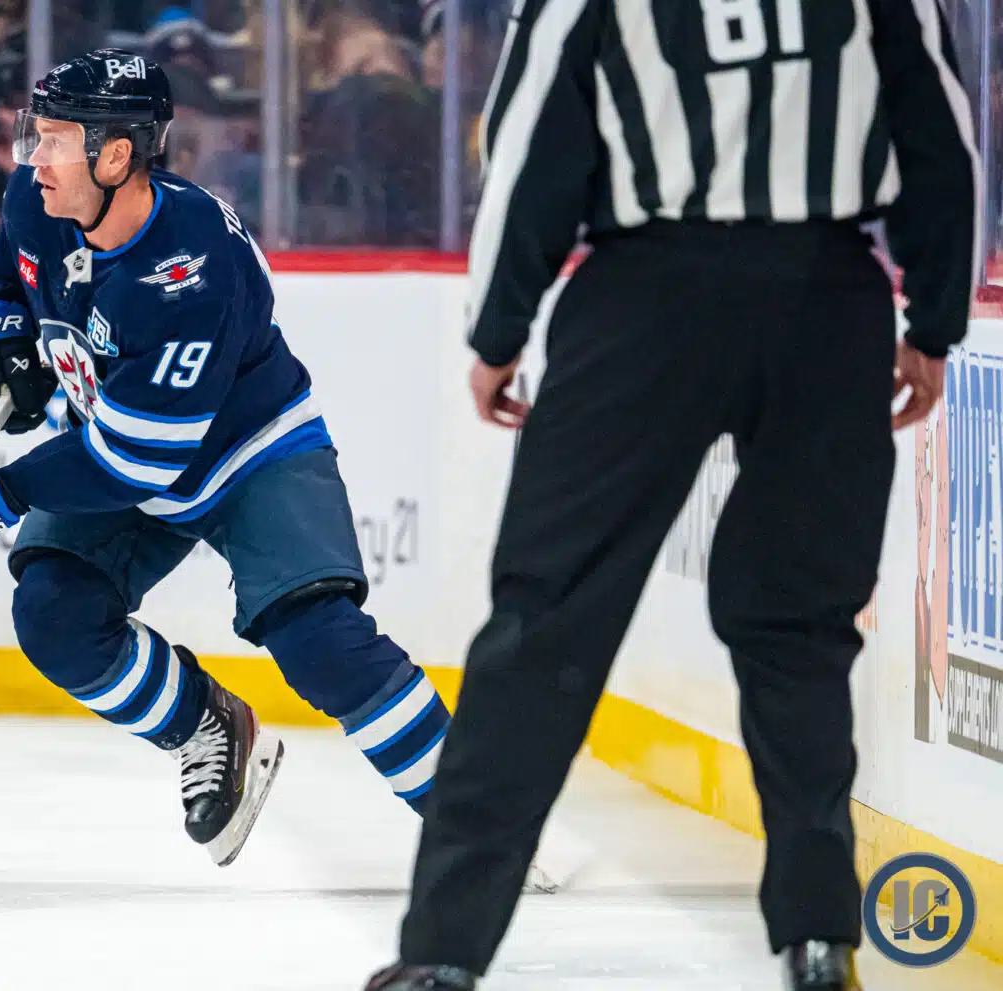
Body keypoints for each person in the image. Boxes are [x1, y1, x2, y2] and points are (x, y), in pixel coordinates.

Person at [366, 1, 977, 989]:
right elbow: (942, 137)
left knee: (545, 623)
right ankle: (820, 938)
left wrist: (497, 330)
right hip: (827, 301)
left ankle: (442, 951)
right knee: (799, 629)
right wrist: (934, 321)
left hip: (646, 302)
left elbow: (532, 147)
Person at [0, 50, 452, 866]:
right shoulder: (39, 197)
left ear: (116, 156)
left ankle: (478, 820)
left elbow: (135, 462)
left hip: (246, 456)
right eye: (36, 134)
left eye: (55, 140)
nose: (34, 158)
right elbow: (14, 275)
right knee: (55, 617)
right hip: (118, 442)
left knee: (321, 643)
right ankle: (208, 723)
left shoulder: (189, 272)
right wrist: (0, 333)